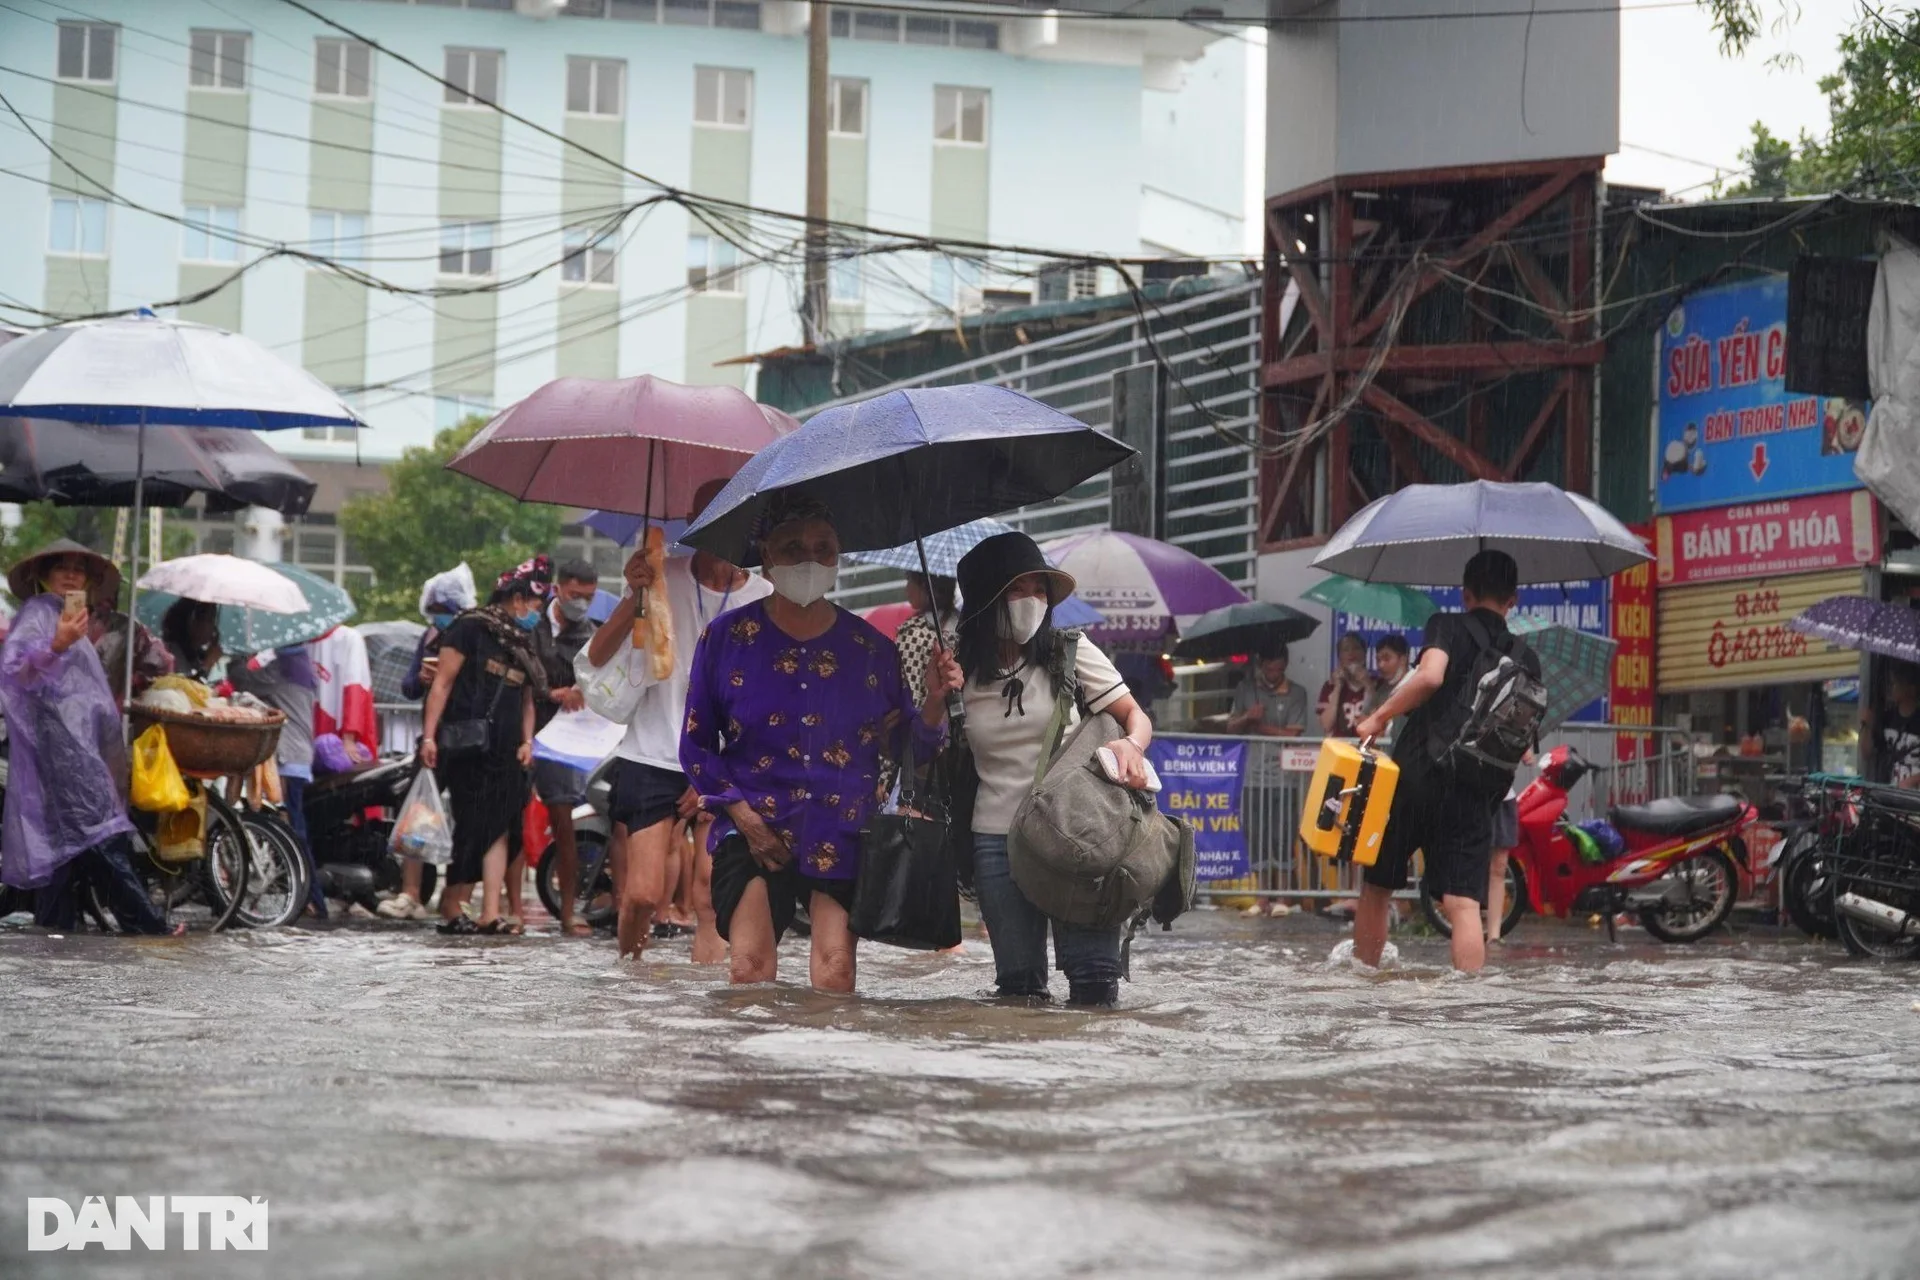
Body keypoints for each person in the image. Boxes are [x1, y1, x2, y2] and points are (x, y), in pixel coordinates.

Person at [679, 493, 956, 992]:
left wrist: (934, 701)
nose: (809, 559)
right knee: (748, 971)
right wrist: (741, 814)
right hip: (753, 826)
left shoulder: (871, 649)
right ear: (765, 555)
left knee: (835, 973)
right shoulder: (724, 639)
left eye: (822, 548)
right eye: (792, 548)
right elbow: (697, 745)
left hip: (844, 829)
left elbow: (911, 749)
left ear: (838, 555)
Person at [952, 532, 1155, 1007]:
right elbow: (926, 748)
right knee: (1019, 992)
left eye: (1039, 589)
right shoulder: (957, 668)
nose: (1032, 602)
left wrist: (1133, 746)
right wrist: (938, 700)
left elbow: (1135, 715)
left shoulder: (1069, 650)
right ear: (987, 599)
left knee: (1095, 987)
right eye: (1016, 591)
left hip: (1078, 834)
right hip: (996, 842)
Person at [587, 483, 775, 964]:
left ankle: (700, 1019)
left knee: (711, 895)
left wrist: (718, 773)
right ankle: (629, 980)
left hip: (723, 764)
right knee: (643, 895)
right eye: (710, 514)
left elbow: (765, 698)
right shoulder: (659, 575)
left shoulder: (765, 597)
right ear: (694, 519)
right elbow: (597, 655)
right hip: (651, 753)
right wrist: (636, 593)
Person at [1353, 550, 1540, 973]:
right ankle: (1468, 1007)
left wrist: (1379, 717)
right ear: (1514, 600)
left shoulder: (1447, 626)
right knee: (1462, 902)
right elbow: (1524, 741)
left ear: (1465, 593)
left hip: (1420, 773)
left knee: (1379, 885)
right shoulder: (1526, 658)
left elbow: (1431, 675)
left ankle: (1362, 982)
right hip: (1477, 788)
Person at [0, 541, 176, 935]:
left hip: (77, 747)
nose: (71, 574)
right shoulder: (37, 616)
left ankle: (55, 932)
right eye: (61, 567)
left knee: (66, 844)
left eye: (79, 570)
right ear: (42, 575)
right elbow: (15, 675)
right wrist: (55, 645)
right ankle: (149, 927)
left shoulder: (74, 620)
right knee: (102, 836)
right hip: (58, 749)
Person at [420, 564, 545, 936]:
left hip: (507, 750)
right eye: (536, 602)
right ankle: (453, 905)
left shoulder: (521, 641)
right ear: (517, 599)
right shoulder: (470, 627)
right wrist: (429, 736)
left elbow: (526, 699)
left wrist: (527, 741)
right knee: (472, 825)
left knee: (501, 827)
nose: (537, 610)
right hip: (468, 745)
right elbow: (442, 683)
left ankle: (491, 912)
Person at [382, 564, 478, 921]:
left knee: (467, 818)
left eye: (445, 613)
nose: (440, 620)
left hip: (464, 740)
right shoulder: (427, 639)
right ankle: (411, 892)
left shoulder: (472, 636)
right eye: (435, 613)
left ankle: (456, 894)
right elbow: (407, 687)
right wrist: (424, 678)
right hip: (432, 740)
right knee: (418, 814)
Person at [229, 645, 325, 918]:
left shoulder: (282, 671)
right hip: (297, 758)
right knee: (294, 830)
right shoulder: (302, 669)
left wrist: (238, 658)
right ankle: (310, 899)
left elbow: (244, 679)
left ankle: (312, 900)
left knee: (293, 832)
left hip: (288, 759)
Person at [533, 558, 599, 936]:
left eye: (588, 597)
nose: (581, 604)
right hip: (526, 728)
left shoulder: (591, 634)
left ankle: (569, 910)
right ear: (558, 588)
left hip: (565, 740)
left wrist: (580, 690)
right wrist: (548, 693)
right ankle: (507, 907)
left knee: (564, 822)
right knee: (507, 820)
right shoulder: (532, 626)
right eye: (575, 595)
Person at [1317, 633, 1378, 737]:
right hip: (1339, 747)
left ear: (1364, 653)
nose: (1351, 653)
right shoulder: (1330, 686)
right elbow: (1326, 725)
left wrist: (1368, 685)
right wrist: (1337, 688)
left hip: (1366, 746)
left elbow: (1378, 717)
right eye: (1346, 649)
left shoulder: (1377, 683)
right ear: (1339, 657)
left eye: (1356, 648)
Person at [1873, 662, 1920, 788]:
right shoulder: (1887, 718)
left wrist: (1913, 780)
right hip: (1888, 792)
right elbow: (1868, 752)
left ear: (1911, 688)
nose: (1891, 688)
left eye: (1895, 683)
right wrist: (1866, 724)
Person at [160, 598, 223, 684]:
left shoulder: (195, 654)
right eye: (209, 620)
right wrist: (207, 665)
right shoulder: (171, 653)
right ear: (191, 621)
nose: (213, 628)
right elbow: (187, 690)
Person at [1373, 634, 1412, 742]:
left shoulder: (1415, 687)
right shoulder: (1380, 692)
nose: (1381, 665)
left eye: (1386, 659)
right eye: (1378, 660)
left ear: (1403, 659)